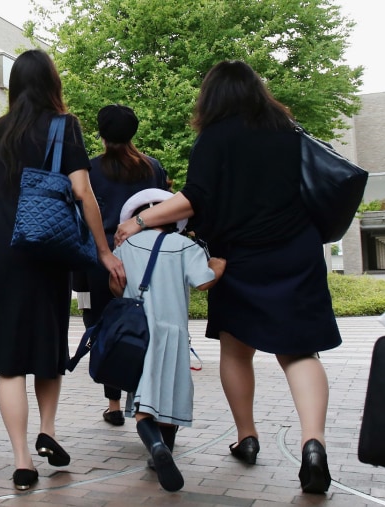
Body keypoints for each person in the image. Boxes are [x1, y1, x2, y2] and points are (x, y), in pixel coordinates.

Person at [114, 60, 342, 494]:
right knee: (300, 352)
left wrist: (140, 222)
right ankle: (314, 444)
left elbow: (194, 198)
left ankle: (247, 437)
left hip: (240, 258)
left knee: (237, 351)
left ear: (212, 96)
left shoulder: (214, 137)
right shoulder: (288, 130)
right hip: (296, 252)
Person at [0, 49, 126, 491]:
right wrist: (103, 250)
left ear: (15, 85)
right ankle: (48, 431)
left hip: (2, 248)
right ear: (52, 83)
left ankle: (22, 461)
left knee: (9, 363)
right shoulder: (64, 125)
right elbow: (82, 192)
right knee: (46, 346)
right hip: (48, 250)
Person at [110, 188, 225, 491]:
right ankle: (165, 449)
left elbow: (117, 288)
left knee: (142, 403)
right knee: (170, 395)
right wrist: (218, 266)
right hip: (173, 333)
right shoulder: (184, 246)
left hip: (139, 333)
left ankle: (155, 448)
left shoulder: (127, 244)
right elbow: (203, 282)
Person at [72, 104, 170, 427]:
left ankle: (114, 404)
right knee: (146, 326)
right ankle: (146, 401)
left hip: (101, 261)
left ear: (100, 134)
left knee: (104, 327)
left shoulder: (90, 170)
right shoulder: (152, 168)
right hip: (144, 258)